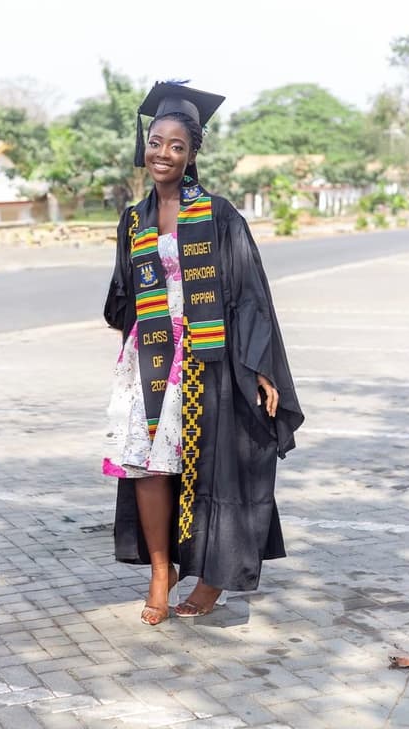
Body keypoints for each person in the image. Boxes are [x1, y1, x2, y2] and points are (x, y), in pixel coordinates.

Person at [101, 81, 304, 625]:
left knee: (214, 467)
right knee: (148, 468)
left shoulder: (218, 215)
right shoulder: (135, 219)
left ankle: (214, 576)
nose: (162, 154)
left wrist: (261, 368)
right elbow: (122, 296)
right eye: (156, 142)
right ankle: (161, 570)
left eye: (176, 146)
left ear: (192, 155)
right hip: (149, 358)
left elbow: (250, 293)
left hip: (208, 358)